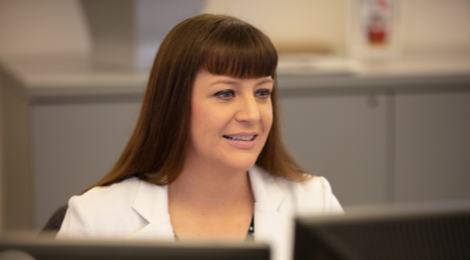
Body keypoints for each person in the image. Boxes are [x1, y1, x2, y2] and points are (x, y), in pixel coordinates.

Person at [56, 14, 343, 260]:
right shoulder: (96, 219)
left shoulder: (314, 203)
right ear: (175, 104)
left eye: (262, 92)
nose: (252, 114)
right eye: (225, 93)